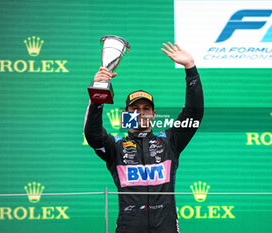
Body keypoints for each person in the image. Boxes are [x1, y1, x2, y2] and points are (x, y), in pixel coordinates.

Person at [84, 42, 204, 233]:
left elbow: (194, 114)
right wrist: (98, 94)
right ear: (126, 113)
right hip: (129, 226)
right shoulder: (116, 146)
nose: (141, 113)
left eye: (146, 109)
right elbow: (92, 134)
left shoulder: (169, 142)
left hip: (166, 226)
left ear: (154, 114)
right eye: (135, 109)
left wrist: (191, 69)